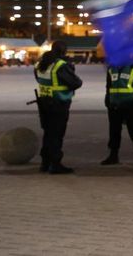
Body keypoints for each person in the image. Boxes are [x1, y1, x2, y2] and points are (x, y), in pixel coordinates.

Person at [34, 40, 82, 174]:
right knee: (56, 134)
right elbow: (76, 83)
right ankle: (55, 164)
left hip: (44, 103)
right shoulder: (60, 65)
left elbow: (39, 80)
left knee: (48, 133)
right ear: (63, 51)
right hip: (58, 104)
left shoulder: (40, 64)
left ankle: (45, 163)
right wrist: (70, 68)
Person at [100, 62, 133, 166]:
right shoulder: (111, 67)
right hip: (114, 106)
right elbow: (108, 86)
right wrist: (108, 102)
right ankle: (113, 156)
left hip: (129, 106)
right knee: (114, 132)